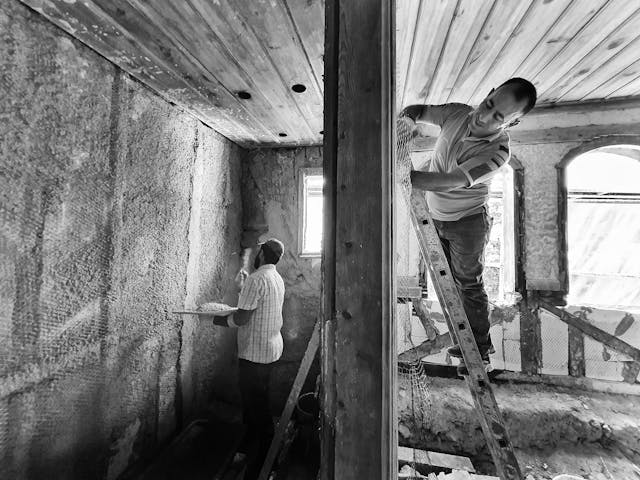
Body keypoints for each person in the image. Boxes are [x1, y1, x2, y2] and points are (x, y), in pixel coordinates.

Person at [400, 78, 537, 370]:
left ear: (511, 123)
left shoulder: (498, 153)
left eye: (498, 116)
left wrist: (399, 173)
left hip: (467, 223)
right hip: (436, 216)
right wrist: (408, 123)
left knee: (467, 284)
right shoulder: (456, 113)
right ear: (487, 93)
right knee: (443, 283)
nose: (485, 116)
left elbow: (451, 182)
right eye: (489, 104)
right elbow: (418, 109)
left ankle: (479, 352)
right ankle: (462, 342)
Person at [210, 238, 286, 480]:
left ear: (262, 255)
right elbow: (256, 308)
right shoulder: (275, 278)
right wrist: (244, 290)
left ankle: (264, 461)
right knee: (256, 401)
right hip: (270, 350)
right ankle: (249, 446)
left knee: (257, 408)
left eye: (259, 250)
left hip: (254, 355)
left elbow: (242, 319)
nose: (255, 254)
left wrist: (216, 319)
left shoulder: (257, 279)